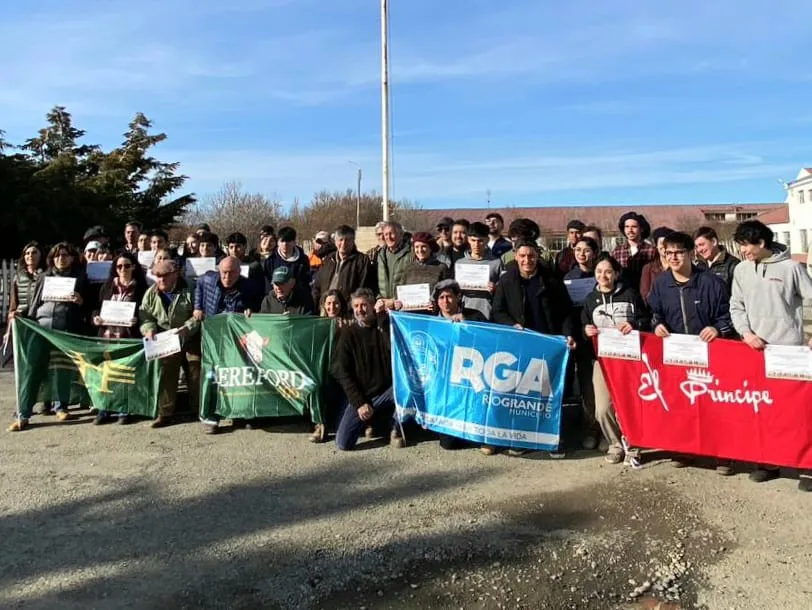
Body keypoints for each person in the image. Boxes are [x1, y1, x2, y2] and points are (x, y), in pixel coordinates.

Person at [729, 220, 812, 490]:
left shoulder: (792, 269)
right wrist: (745, 333)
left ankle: (807, 467)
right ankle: (768, 462)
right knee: (763, 412)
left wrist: (810, 333)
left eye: (746, 245)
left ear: (761, 243)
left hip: (790, 352)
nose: (743, 251)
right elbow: (736, 306)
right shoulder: (741, 270)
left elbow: (810, 302)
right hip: (755, 353)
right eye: (740, 245)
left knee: (797, 413)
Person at [647, 231, 735, 473]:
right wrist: (657, 325)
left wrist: (718, 328)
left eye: (679, 252)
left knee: (712, 406)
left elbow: (729, 316)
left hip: (710, 355)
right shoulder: (661, 284)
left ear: (691, 253)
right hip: (677, 357)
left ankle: (722, 454)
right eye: (668, 253)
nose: (674, 257)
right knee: (681, 404)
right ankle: (684, 449)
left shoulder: (712, 283)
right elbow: (653, 313)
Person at [491, 240, 577, 457]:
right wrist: (511, 325)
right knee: (522, 394)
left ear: (537, 256)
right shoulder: (507, 281)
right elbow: (497, 311)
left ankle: (553, 440)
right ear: (516, 257)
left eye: (531, 256)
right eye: (522, 256)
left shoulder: (551, 281)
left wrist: (568, 334)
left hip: (548, 344)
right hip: (520, 346)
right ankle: (522, 438)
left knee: (549, 394)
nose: (527, 260)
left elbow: (566, 312)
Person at [582, 254, 650, 463]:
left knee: (628, 405)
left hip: (629, 360)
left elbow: (645, 318)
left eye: (608, 271)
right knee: (602, 408)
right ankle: (614, 443)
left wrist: (634, 324)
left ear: (617, 274)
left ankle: (633, 443)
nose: (603, 276)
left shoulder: (630, 294)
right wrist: (586, 331)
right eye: (599, 272)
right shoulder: (590, 299)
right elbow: (583, 326)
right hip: (602, 361)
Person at [19, 243, 89, 425]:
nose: (61, 258)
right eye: (57, 255)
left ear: (72, 258)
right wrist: (25, 317)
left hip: (65, 327)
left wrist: (80, 301)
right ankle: (24, 412)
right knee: (33, 367)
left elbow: (88, 307)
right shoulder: (44, 276)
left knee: (62, 369)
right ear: (52, 258)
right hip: (42, 327)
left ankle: (61, 407)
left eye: (65, 255)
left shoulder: (80, 277)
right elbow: (35, 303)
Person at [331, 288, 403, 450]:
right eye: (356, 306)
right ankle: (372, 422)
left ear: (372, 306)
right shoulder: (347, 334)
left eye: (364, 305)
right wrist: (359, 403)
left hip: (387, 391)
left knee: (404, 389)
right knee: (343, 443)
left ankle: (396, 428)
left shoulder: (385, 327)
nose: (359, 310)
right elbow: (343, 373)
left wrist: (381, 321)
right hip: (364, 396)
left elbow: (392, 351)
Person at [138, 260, 200, 429]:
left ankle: (198, 409)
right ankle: (165, 413)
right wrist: (149, 329)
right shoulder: (151, 293)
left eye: (165, 275)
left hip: (190, 336)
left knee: (195, 368)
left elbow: (199, 313)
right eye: (157, 276)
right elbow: (145, 316)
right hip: (166, 338)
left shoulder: (190, 288)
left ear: (175, 274)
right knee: (166, 372)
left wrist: (187, 329)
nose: (161, 279)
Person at [90, 252, 148, 425]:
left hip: (128, 338)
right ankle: (104, 409)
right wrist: (96, 318)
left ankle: (125, 409)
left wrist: (138, 320)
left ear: (134, 267)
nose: (123, 269)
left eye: (127, 265)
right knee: (106, 375)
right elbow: (96, 308)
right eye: (119, 266)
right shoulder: (107, 287)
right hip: (107, 337)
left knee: (125, 375)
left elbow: (146, 313)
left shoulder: (141, 289)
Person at [564, 237, 599, 448]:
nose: (582, 254)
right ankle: (590, 428)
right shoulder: (568, 277)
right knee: (586, 384)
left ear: (594, 252)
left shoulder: (602, 273)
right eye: (578, 250)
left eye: (586, 250)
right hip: (579, 336)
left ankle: (608, 428)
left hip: (601, 333)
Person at [384, 232, 450, 313]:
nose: (420, 250)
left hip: (433, 316)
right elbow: (400, 291)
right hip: (411, 315)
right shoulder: (408, 268)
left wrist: (436, 304)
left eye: (423, 247)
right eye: (417, 247)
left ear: (431, 248)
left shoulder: (441, 268)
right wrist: (398, 302)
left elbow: (447, 293)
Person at [312, 225, 376, 308]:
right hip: (326, 310)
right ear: (335, 241)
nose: (343, 244)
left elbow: (363, 288)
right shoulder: (328, 260)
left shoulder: (362, 261)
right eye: (340, 240)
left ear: (353, 241)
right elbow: (317, 286)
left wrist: (349, 308)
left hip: (347, 311)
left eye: (348, 240)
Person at [454, 222, 503, 319]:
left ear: (487, 240)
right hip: (465, 310)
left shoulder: (496, 262)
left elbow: (504, 290)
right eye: (473, 240)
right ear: (468, 240)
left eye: (480, 241)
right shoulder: (460, 263)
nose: (476, 244)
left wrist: (495, 288)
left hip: (488, 312)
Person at [194, 256, 261, 322]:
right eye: (224, 272)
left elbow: (255, 304)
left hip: (232, 326)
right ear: (219, 271)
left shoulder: (249, 287)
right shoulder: (209, 279)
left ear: (239, 271)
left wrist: (251, 309)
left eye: (232, 272)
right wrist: (198, 307)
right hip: (212, 323)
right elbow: (199, 282)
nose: (228, 277)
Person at [610, 212, 656, 291]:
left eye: (634, 227)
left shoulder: (652, 251)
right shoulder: (617, 252)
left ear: (641, 229)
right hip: (624, 293)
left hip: (646, 292)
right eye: (627, 227)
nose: (630, 230)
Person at [694, 226, 739, 294]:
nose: (699, 250)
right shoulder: (699, 266)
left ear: (714, 242)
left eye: (702, 245)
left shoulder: (733, 265)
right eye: (697, 246)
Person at [7, 242, 46, 321]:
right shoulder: (18, 277)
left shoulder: (46, 275)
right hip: (21, 319)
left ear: (41, 255)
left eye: (34, 252)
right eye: (27, 253)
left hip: (38, 319)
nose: (30, 255)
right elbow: (13, 304)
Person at [377, 221, 411, 301]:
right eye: (385, 234)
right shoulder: (380, 255)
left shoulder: (410, 254)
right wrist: (379, 299)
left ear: (401, 234)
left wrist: (394, 300)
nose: (388, 237)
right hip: (384, 305)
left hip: (402, 303)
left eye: (391, 233)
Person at [639, 226, 675, 302]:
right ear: (656, 246)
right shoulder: (648, 268)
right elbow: (645, 295)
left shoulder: (678, 266)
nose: (665, 246)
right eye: (662, 243)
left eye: (668, 243)